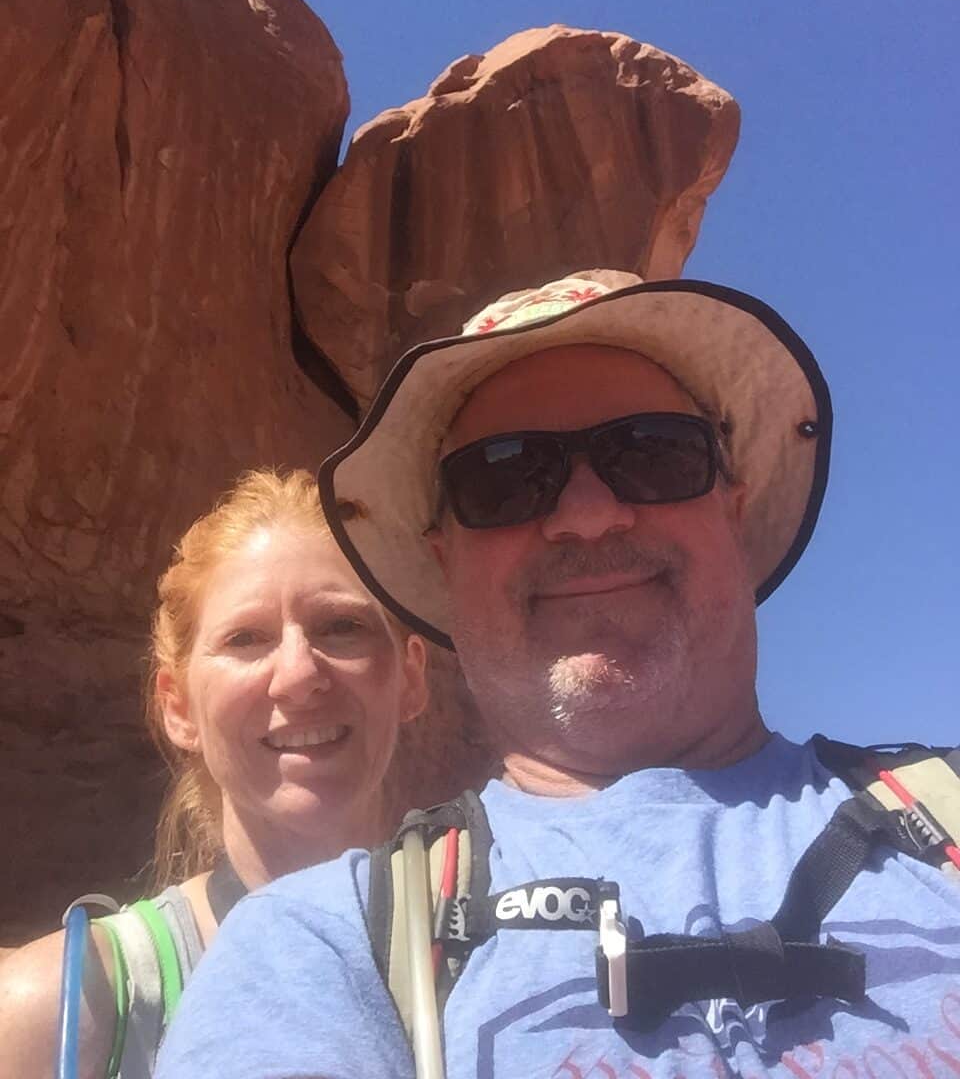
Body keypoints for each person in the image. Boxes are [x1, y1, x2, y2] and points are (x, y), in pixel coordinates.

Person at [155, 273, 960, 1079]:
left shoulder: (944, 817)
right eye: (504, 477)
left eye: (652, 453)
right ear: (446, 558)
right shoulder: (321, 949)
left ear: (734, 508)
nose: (586, 514)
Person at [0, 468, 427, 1079]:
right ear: (178, 706)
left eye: (342, 626)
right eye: (246, 639)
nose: (299, 674)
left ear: (411, 677)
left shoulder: (501, 956)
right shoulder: (70, 1009)